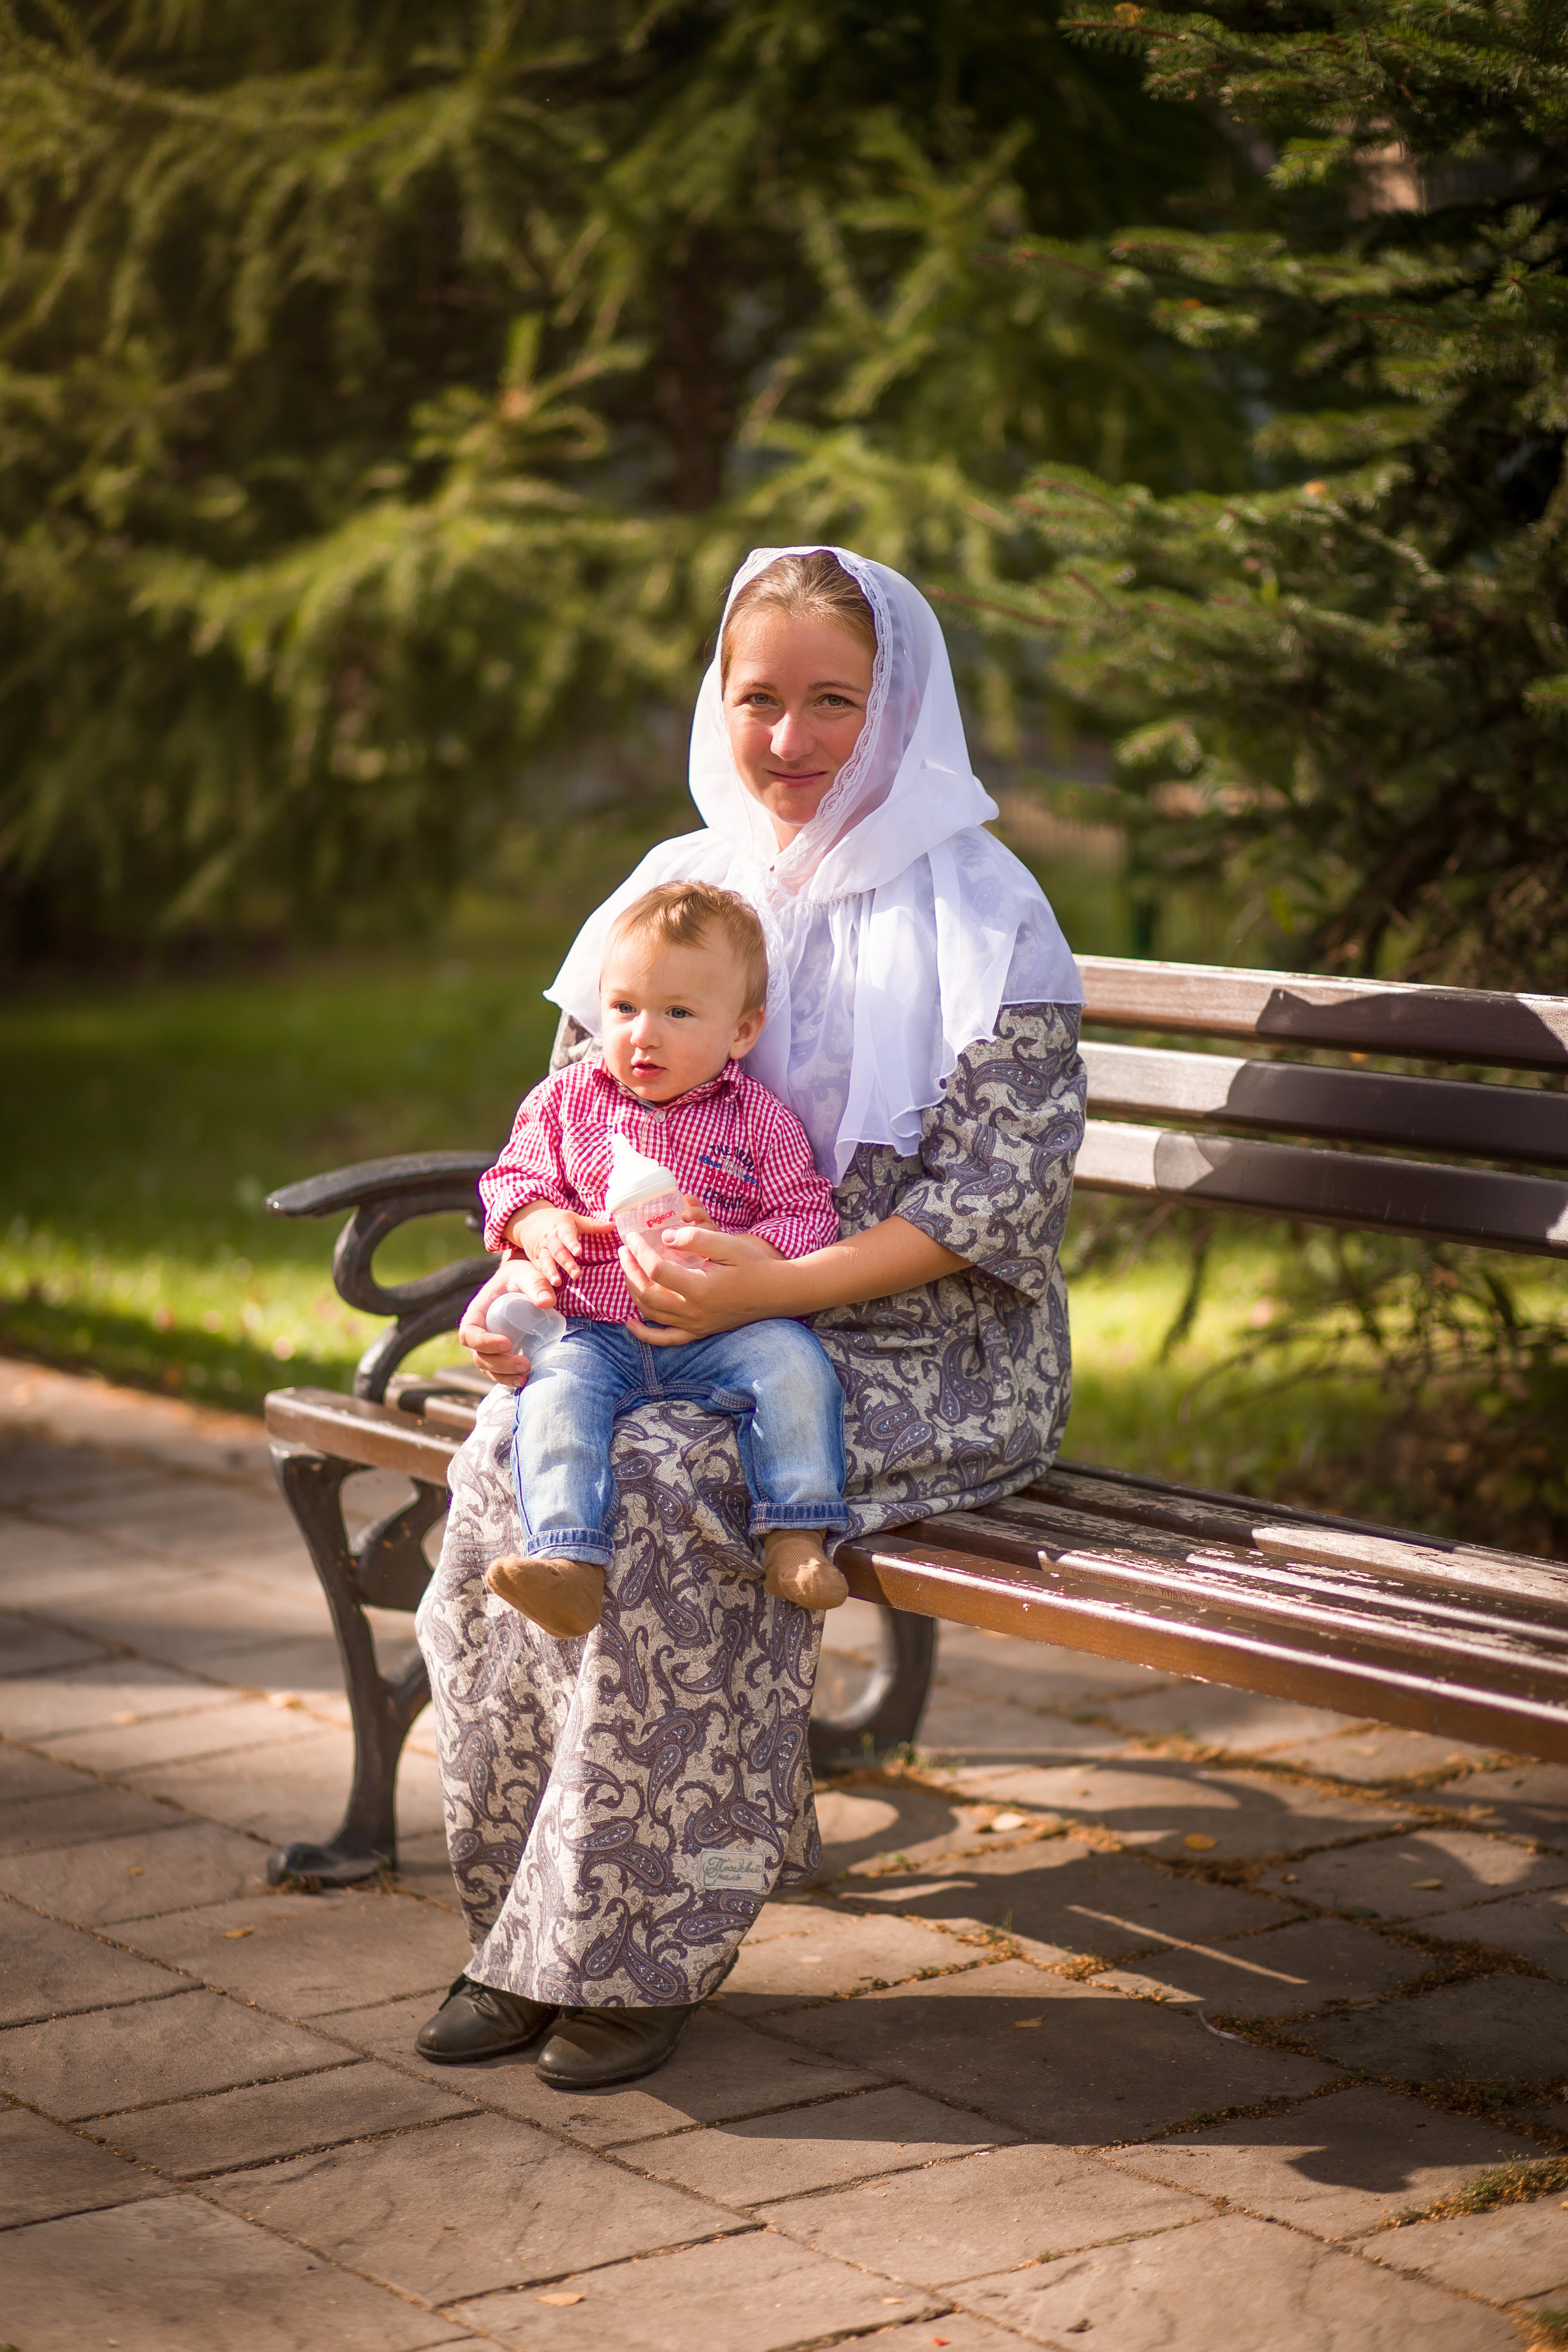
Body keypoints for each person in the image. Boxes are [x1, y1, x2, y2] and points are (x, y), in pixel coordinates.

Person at [414, 545, 1086, 2091]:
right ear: (714, 700)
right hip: (670, 1319)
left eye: (831, 701)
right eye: (757, 697)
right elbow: (566, 1138)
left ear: (896, 708)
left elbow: (990, 1210)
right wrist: (522, 1284)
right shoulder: (679, 886)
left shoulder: (988, 909)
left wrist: (773, 1285)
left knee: (667, 1483)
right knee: (506, 1452)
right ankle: (519, 1927)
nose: (787, 740)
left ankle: (634, 1945)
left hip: (928, 1349)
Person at [478, 878, 851, 1636]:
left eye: (678, 1013)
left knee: (795, 1364)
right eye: (624, 1008)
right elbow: (511, 1178)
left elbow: (808, 1213)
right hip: (591, 1329)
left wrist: (746, 1249)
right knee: (552, 1396)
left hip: (719, 1327)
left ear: (741, 1032)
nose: (643, 1035)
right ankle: (568, 1559)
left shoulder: (758, 1121)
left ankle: (796, 1534)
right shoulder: (565, 1102)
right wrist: (537, 1221)